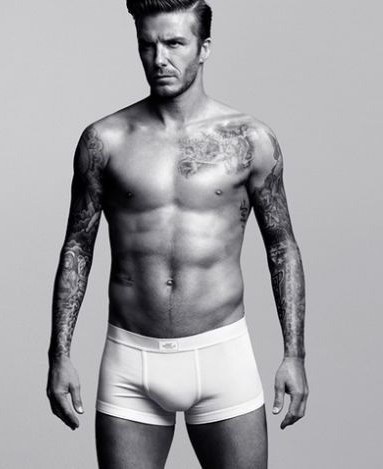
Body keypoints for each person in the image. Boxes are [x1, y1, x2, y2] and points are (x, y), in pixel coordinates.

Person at [45, 1, 308, 467]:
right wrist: (59, 355)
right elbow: (78, 246)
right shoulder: (105, 140)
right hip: (131, 361)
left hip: (221, 355)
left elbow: (282, 247)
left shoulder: (249, 140)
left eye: (174, 43)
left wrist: (295, 355)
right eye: (147, 45)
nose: (159, 58)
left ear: (204, 48)